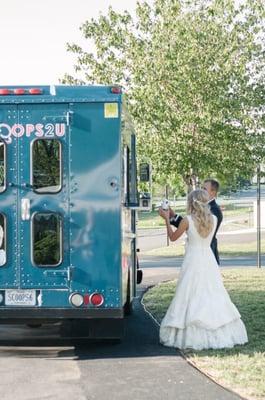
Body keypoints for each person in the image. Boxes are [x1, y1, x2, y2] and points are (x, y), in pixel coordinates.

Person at [158, 189, 248, 350]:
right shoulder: (213, 219)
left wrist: (166, 218)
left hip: (193, 260)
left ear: (191, 202)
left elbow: (172, 237)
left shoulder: (187, 220)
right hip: (208, 259)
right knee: (212, 292)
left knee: (190, 293)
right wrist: (172, 215)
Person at [169, 179, 223, 264]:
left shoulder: (214, 210)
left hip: (207, 255)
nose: (201, 191)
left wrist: (168, 219)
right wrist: (173, 215)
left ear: (213, 192)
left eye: (204, 189)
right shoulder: (206, 208)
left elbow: (195, 228)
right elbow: (192, 226)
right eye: (201, 188)